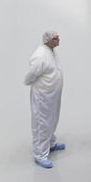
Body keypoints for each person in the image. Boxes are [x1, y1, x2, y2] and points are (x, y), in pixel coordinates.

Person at [23, 30, 64, 168]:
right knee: (42, 123)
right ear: (48, 40)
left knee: (52, 118)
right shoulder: (40, 55)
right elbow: (32, 74)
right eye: (55, 38)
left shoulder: (50, 50)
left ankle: (51, 143)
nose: (59, 39)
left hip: (51, 95)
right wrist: (27, 82)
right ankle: (40, 154)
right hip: (43, 96)